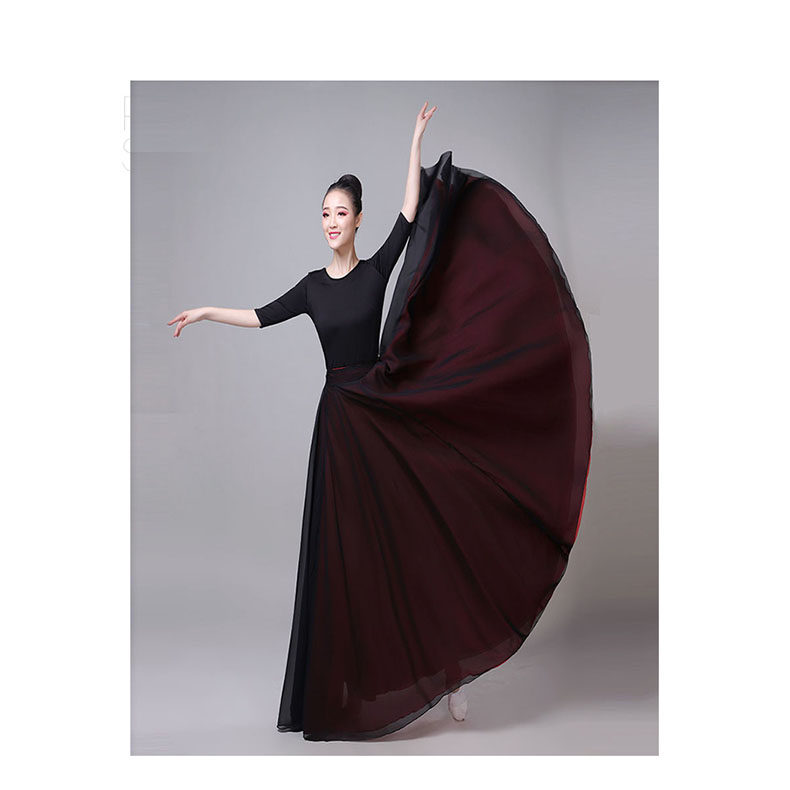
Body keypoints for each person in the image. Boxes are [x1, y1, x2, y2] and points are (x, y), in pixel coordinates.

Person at [168, 102, 593, 742]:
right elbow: (259, 316)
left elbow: (410, 214)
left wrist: (415, 142)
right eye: (324, 213)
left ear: (357, 220)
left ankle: (450, 674)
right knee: (351, 562)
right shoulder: (312, 287)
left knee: (416, 544)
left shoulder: (373, 270)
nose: (330, 222)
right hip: (338, 429)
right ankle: (353, 686)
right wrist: (204, 312)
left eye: (340, 213)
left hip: (384, 417)